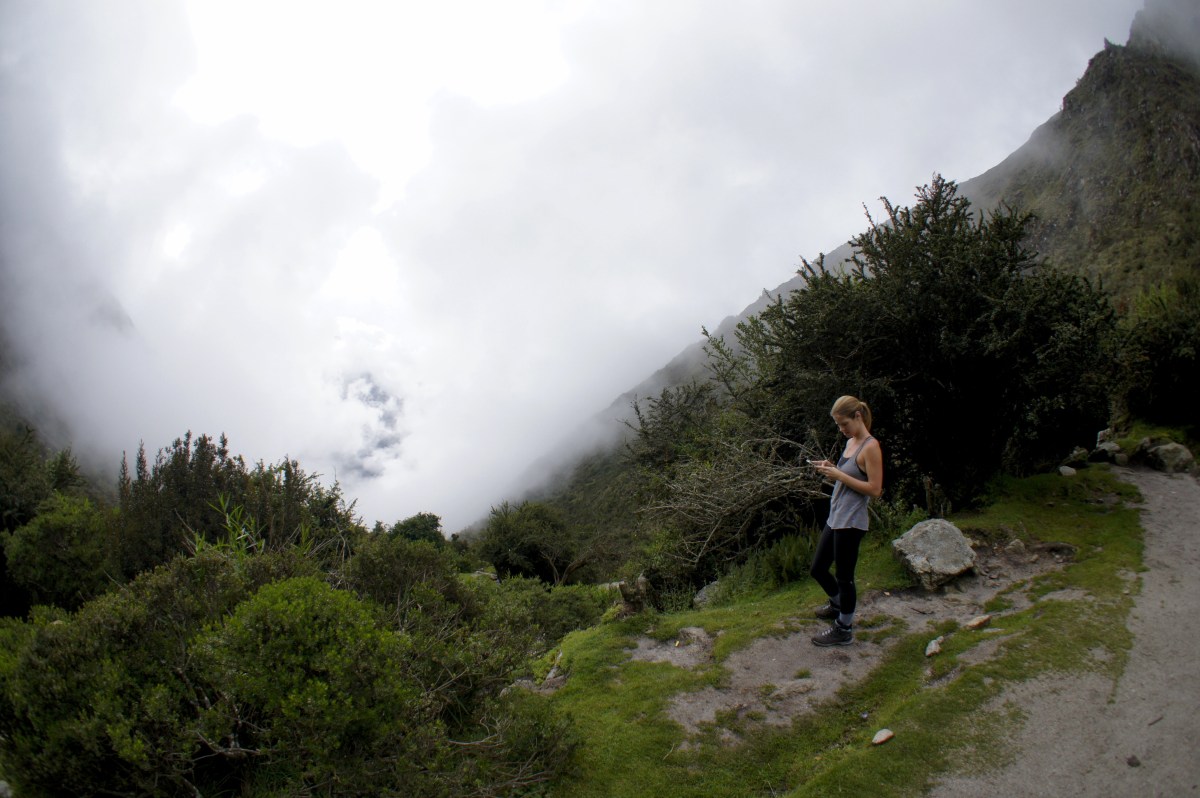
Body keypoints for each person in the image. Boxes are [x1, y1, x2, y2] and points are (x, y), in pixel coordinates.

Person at [807, 395, 883, 646]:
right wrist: (832, 468)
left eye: (844, 424)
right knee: (818, 568)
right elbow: (850, 475)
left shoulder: (870, 447)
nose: (841, 429)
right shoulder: (851, 442)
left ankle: (844, 628)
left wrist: (839, 475)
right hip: (836, 516)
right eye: (838, 425)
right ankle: (838, 604)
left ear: (857, 416)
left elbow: (875, 489)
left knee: (844, 577)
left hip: (851, 521)